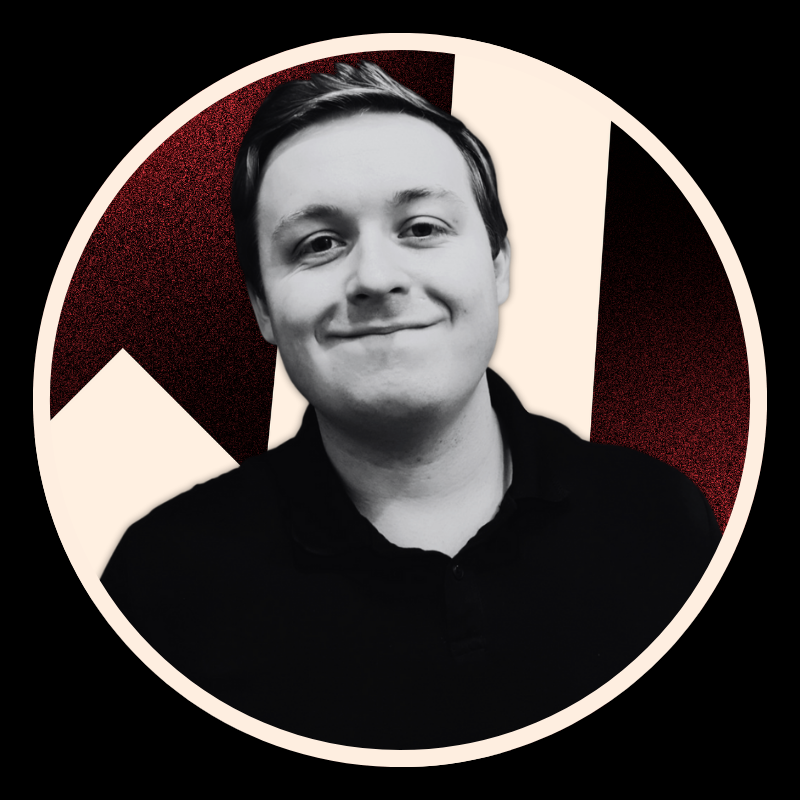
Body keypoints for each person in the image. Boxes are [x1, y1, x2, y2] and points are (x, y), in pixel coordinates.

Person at [101, 61, 720, 749]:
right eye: (318, 244)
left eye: (422, 228)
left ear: (498, 265)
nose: (375, 277)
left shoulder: (663, 518)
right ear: (263, 309)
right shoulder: (162, 581)